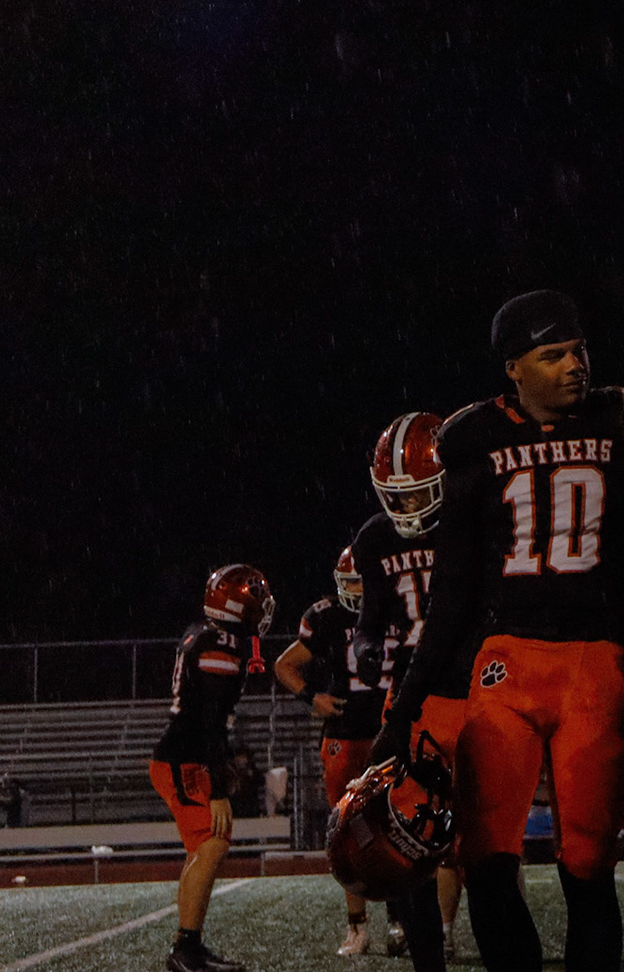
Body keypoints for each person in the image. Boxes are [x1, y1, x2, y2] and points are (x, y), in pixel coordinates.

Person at [374, 291, 624, 972]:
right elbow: (452, 592)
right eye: (552, 355)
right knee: (486, 858)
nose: (574, 366)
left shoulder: (620, 417)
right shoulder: (475, 437)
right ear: (513, 368)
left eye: (578, 351)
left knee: (588, 861)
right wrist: (404, 708)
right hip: (508, 659)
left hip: (595, 658)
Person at [356, 410, 467, 969]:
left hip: (473, 689)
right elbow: (371, 616)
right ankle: (426, 954)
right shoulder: (375, 539)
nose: (406, 506)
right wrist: (366, 644)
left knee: (486, 846)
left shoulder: (469, 522)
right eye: (395, 495)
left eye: (417, 492)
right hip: (410, 698)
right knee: (408, 837)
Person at [152, 564, 275, 972]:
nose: (262, 610)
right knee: (212, 844)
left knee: (204, 847)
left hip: (187, 755)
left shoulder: (205, 633)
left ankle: (189, 945)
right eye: (256, 601)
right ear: (236, 605)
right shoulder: (219, 645)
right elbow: (209, 719)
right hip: (183, 758)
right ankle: (185, 948)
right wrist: (218, 788)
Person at [273, 548, 389, 955]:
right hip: (345, 731)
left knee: (400, 826)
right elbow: (284, 665)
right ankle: (357, 925)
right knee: (346, 832)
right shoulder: (326, 617)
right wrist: (312, 697)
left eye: (361, 582)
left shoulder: (398, 604)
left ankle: (402, 920)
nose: (356, 591)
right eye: (350, 583)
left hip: (392, 729)